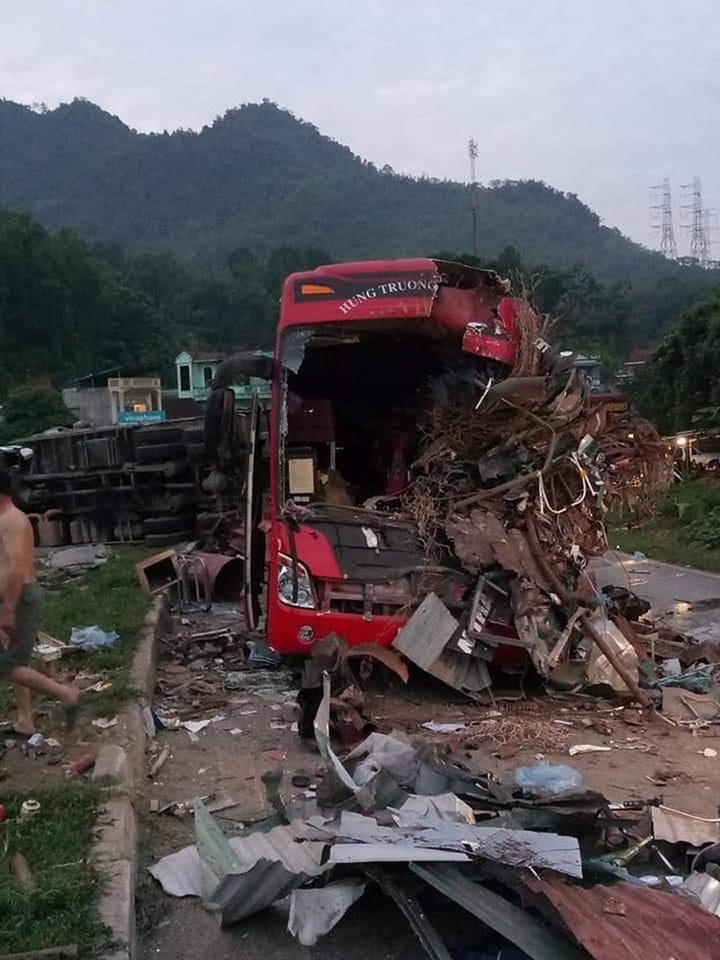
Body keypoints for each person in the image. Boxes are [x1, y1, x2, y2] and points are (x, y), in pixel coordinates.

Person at [0, 469, 81, 734]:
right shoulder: (5, 518)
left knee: (7, 666)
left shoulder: (11, 520)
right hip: (14, 597)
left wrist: (7, 610)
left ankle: (66, 694)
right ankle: (25, 720)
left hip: (18, 598)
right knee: (16, 659)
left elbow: (15, 570)